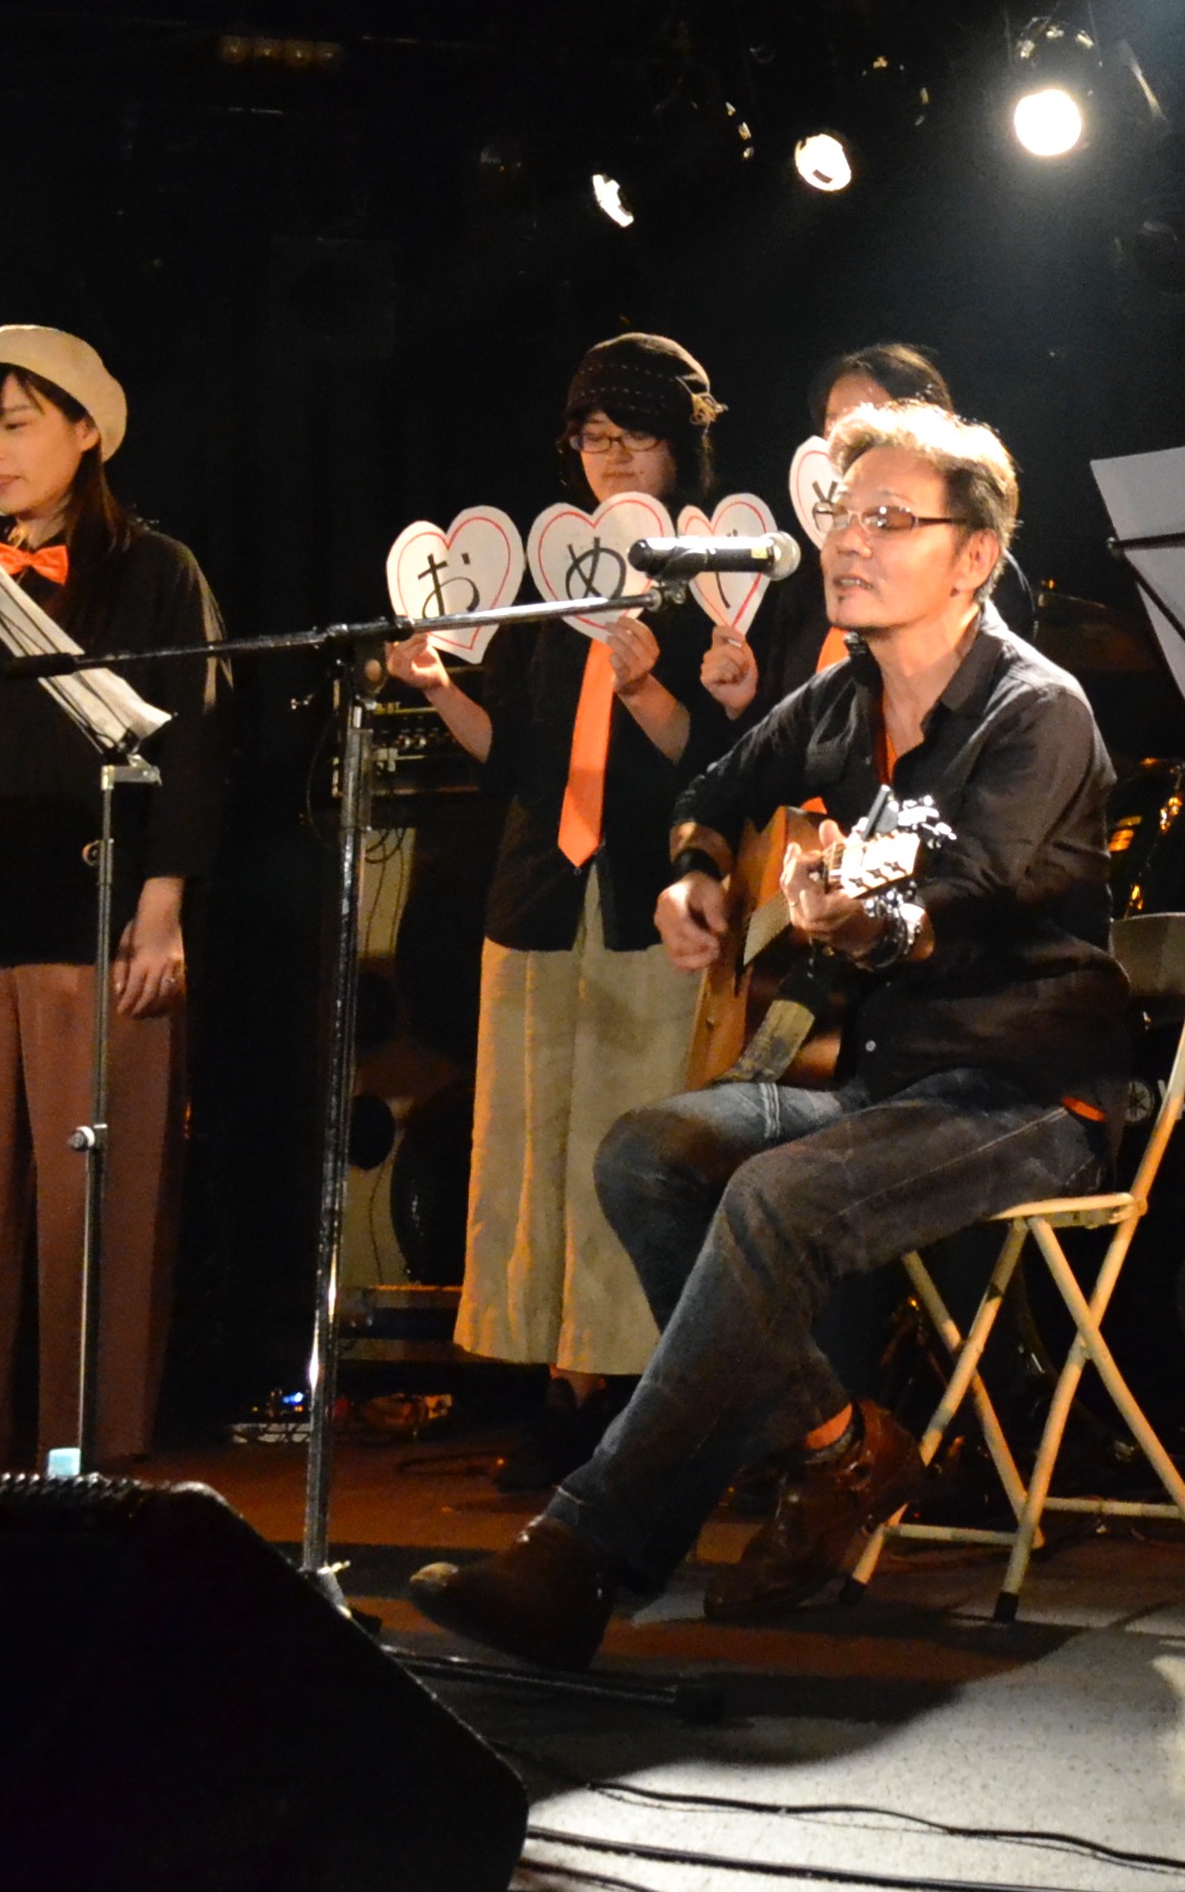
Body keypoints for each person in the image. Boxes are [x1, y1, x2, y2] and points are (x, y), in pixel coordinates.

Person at [405, 400, 1132, 1662]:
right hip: (881, 1078)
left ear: (974, 556)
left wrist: (866, 924)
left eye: (889, 520)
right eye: (845, 515)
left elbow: (970, 903)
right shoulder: (845, 698)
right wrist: (694, 871)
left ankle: (584, 1554)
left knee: (771, 1200)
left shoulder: (1039, 710)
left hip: (1019, 1088)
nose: (848, 541)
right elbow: (717, 782)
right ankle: (842, 1446)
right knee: (645, 1154)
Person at [385, 331, 758, 1490]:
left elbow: (718, 764)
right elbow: (512, 756)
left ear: (681, 448)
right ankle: (557, 1385)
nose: (612, 458)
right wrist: (440, 687)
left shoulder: (719, 579)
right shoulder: (552, 575)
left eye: (634, 436)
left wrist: (645, 680)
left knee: (629, 1147)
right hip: (541, 896)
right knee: (529, 1146)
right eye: (594, 438)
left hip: (654, 900)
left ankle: (635, 1398)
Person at [0, 326, 222, 1472]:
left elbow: (194, 744)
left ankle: (89, 1458)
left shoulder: (156, 570)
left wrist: (161, 910)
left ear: (85, 430)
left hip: (91, 919)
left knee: (92, 1215)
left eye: (15, 425)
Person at [752, 341, 1031, 684]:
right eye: (833, 420)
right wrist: (743, 703)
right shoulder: (812, 577)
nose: (845, 436)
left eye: (888, 520)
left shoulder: (979, 568)